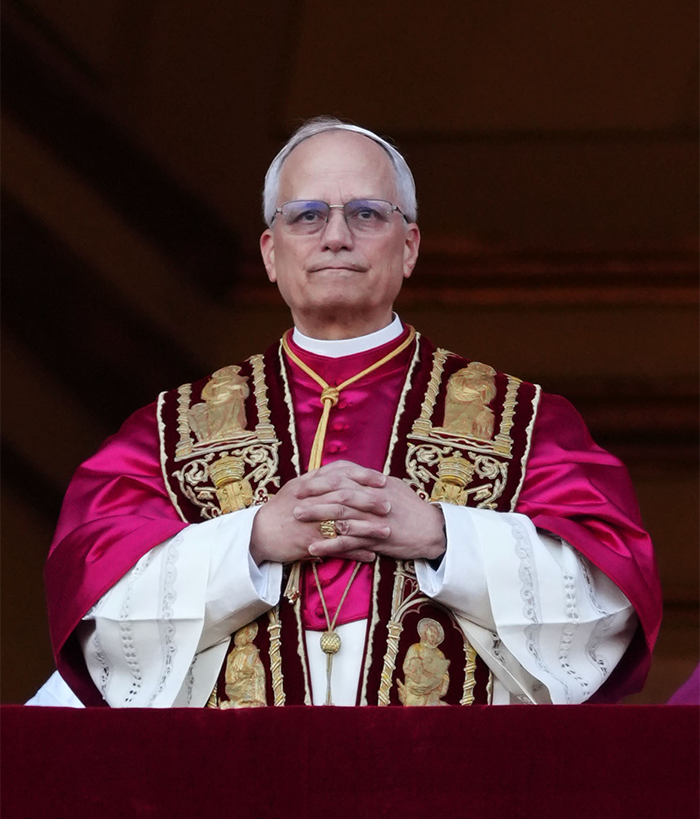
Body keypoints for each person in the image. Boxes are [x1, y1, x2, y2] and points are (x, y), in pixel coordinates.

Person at [30, 117, 661, 709]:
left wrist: (447, 537)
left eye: (366, 213)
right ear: (271, 253)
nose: (336, 235)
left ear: (409, 246)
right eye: (307, 216)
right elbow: (95, 612)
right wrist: (250, 542)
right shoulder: (168, 433)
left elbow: (609, 602)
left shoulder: (523, 423)